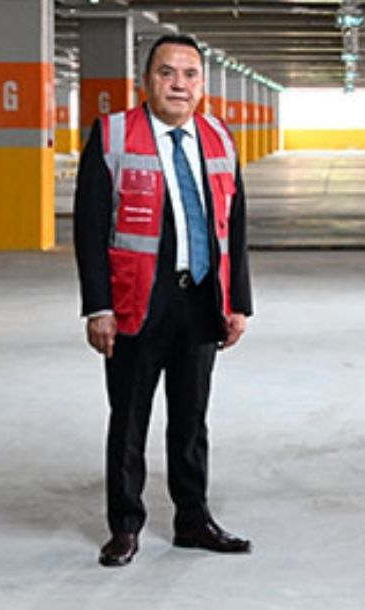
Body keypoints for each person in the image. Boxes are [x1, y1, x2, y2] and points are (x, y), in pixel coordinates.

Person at [73, 33, 253, 568]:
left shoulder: (219, 137)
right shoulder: (112, 135)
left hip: (200, 300)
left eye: (190, 74)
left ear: (202, 84)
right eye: (167, 73)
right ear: (146, 81)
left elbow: (235, 226)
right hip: (137, 301)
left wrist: (237, 302)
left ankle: (193, 520)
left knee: (191, 419)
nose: (179, 84)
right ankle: (125, 526)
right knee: (129, 418)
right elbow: (89, 229)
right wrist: (98, 307)